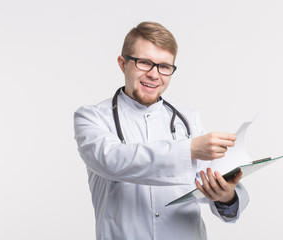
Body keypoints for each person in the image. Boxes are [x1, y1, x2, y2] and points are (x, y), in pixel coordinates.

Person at [74, 21, 249, 240]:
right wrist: (190, 149)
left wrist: (225, 195)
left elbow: (211, 185)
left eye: (164, 66)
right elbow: (112, 161)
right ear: (123, 64)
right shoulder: (92, 117)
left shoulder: (189, 120)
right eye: (144, 63)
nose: (154, 75)